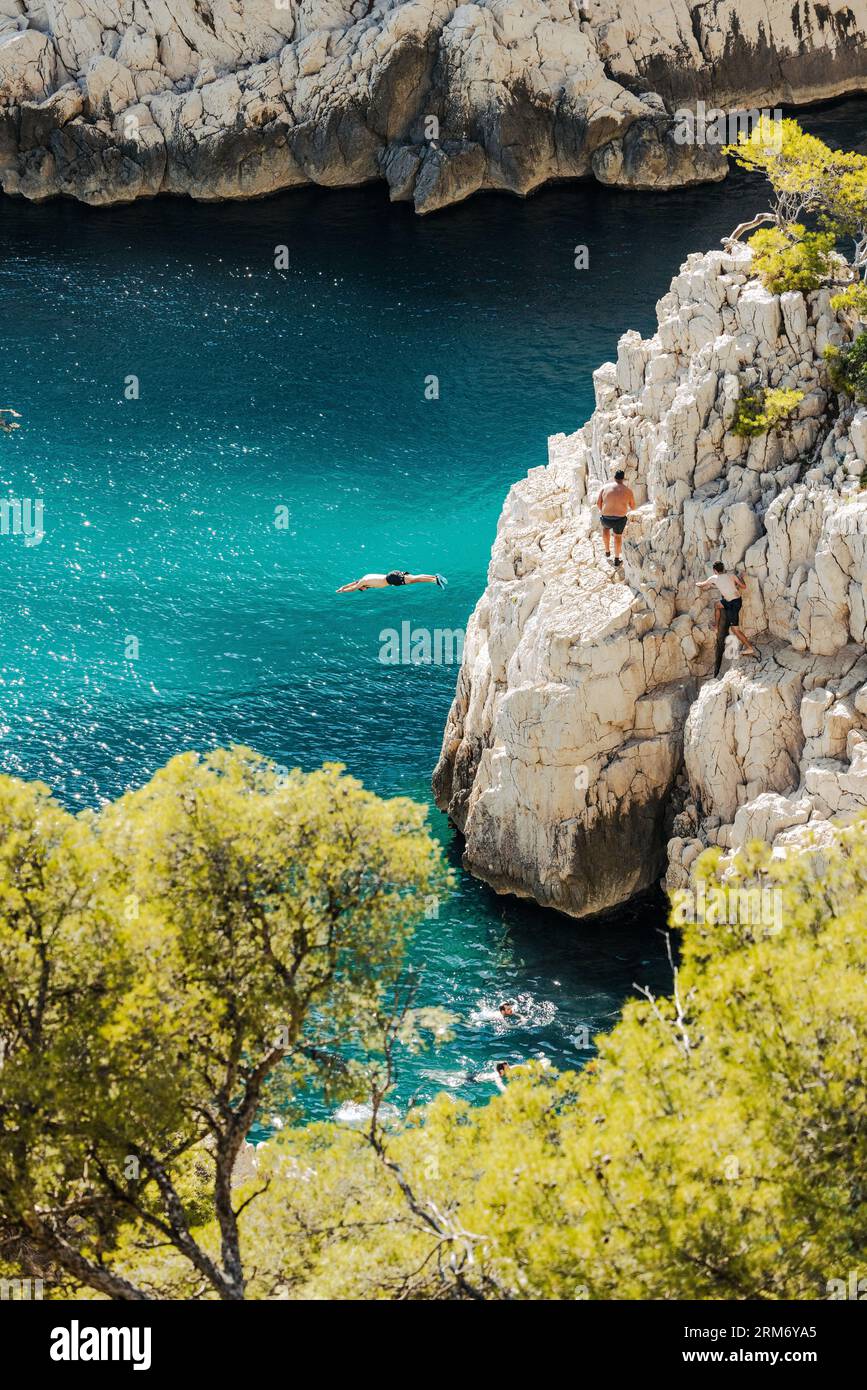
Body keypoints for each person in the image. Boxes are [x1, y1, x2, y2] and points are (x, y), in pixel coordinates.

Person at [696, 561, 759, 665]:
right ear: (723, 568)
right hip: (735, 600)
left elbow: (701, 584)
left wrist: (697, 583)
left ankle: (749, 648)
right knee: (717, 605)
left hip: (733, 605)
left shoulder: (714, 578)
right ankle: (716, 626)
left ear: (715, 570)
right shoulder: (732, 576)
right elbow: (743, 586)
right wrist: (740, 577)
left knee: (735, 630)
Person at [595, 469, 636, 567]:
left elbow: (598, 503)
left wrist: (604, 511)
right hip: (620, 519)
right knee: (618, 537)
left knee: (605, 529)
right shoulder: (628, 491)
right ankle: (617, 559)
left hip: (606, 518)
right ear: (623, 479)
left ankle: (607, 551)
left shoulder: (605, 488)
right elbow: (633, 506)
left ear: (614, 478)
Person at [337, 571, 447, 593]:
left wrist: (343, 591)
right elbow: (353, 583)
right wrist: (342, 586)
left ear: (361, 586)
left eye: (362, 589)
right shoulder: (365, 577)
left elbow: (353, 587)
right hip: (392, 576)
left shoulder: (363, 582)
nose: (363, 589)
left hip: (392, 579)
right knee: (414, 579)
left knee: (415, 579)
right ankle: (435, 577)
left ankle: (435, 580)